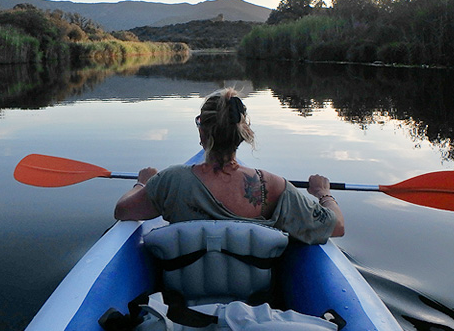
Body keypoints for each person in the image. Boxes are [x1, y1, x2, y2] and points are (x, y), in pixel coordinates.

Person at [114, 88, 345, 244]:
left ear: (202, 131)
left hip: (182, 302)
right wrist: (323, 193)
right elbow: (336, 227)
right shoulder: (274, 186)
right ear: (243, 134)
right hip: (255, 303)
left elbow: (123, 210)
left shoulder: (170, 181)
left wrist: (142, 183)